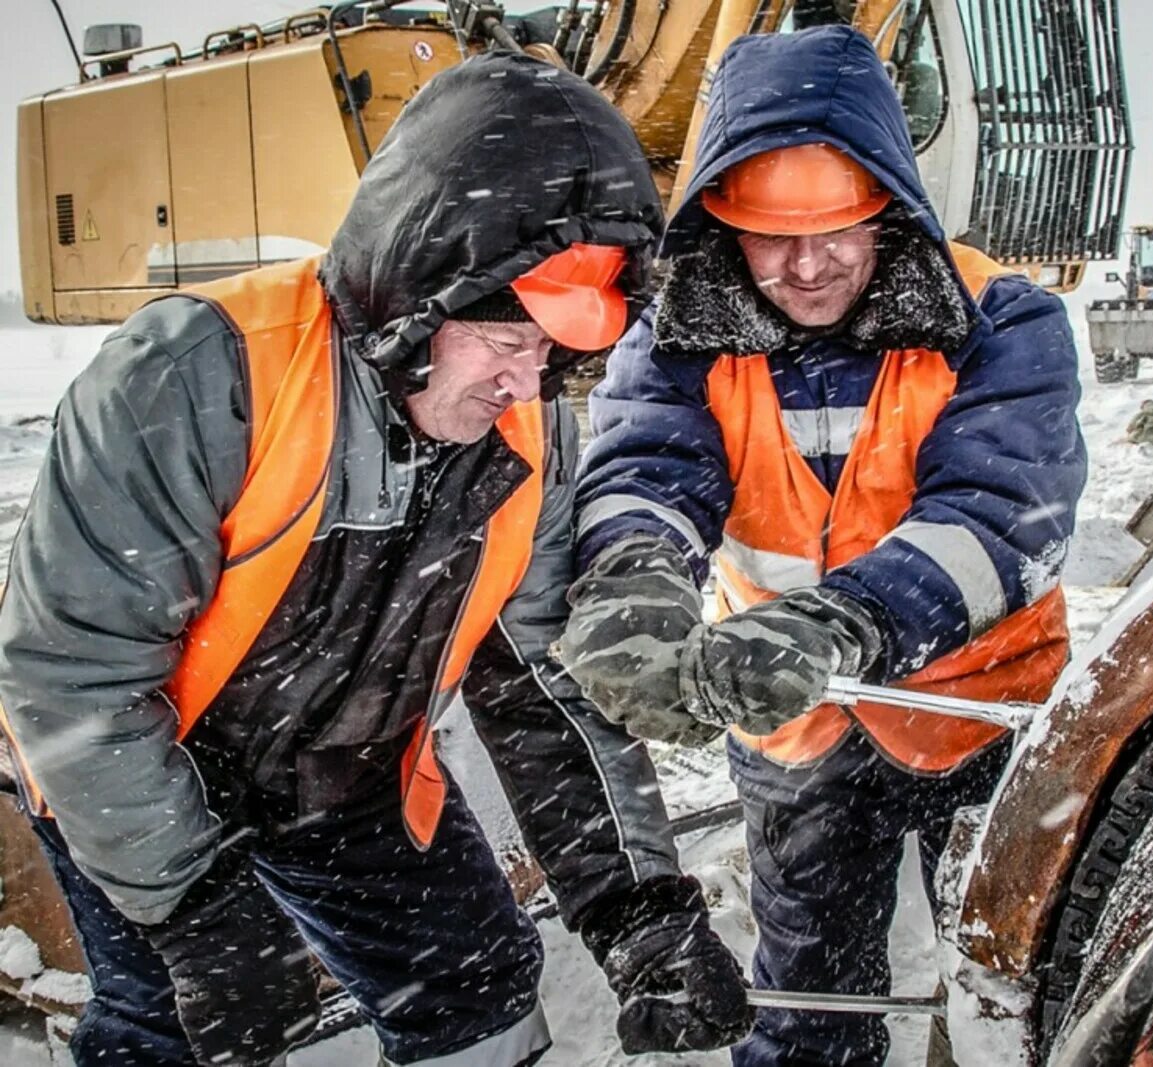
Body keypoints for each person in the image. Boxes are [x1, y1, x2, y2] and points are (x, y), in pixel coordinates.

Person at [0, 51, 751, 1066]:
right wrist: (194, 906)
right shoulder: (197, 375)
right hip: (142, 765)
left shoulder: (528, 435)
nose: (526, 381)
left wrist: (637, 908)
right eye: (505, 338)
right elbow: (75, 676)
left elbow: (543, 687)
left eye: (555, 351)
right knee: (178, 1020)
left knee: (477, 984)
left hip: (345, 777)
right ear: (420, 286)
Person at [561, 26, 1086, 1067]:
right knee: (806, 1004)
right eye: (769, 235)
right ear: (719, 223)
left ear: (888, 205)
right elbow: (646, 474)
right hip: (793, 726)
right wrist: (633, 582)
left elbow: (1002, 513)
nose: (807, 266)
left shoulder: (1002, 320)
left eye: (837, 228)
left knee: (1016, 996)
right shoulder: (678, 333)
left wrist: (844, 619)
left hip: (981, 716)